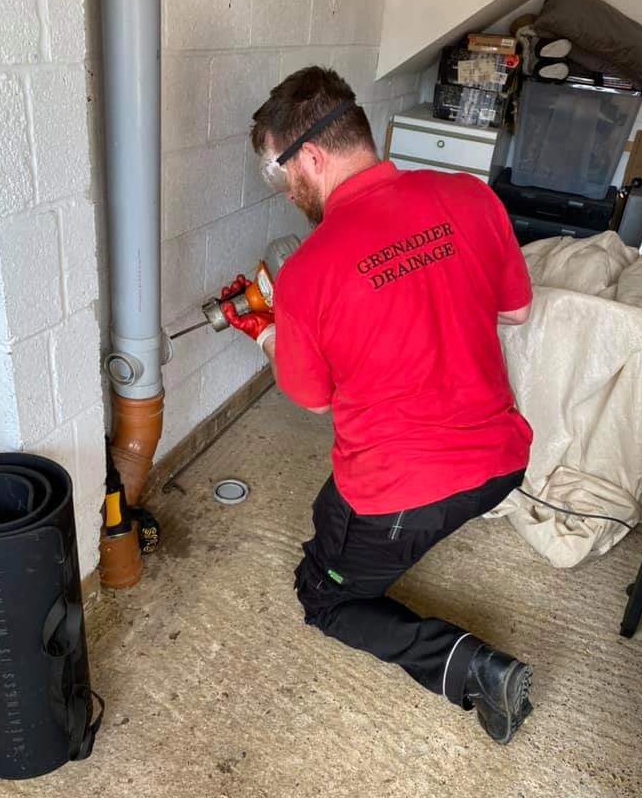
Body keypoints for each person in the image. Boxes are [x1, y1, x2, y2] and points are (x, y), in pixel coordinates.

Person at [220, 67, 534, 745]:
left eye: (282, 176)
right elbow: (515, 312)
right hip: (504, 459)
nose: (288, 192)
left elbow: (309, 398)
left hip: (405, 492)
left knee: (323, 594)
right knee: (329, 517)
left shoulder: (309, 270)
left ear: (310, 156)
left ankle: (476, 670)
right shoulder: (471, 197)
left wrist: (268, 328)